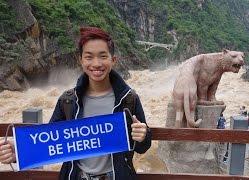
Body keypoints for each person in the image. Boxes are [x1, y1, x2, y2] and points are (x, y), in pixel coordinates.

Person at [0, 27, 152, 180]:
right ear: (81, 61)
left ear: (113, 60)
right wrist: (18, 152)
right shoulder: (68, 101)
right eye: (89, 57)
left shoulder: (128, 99)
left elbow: (142, 147)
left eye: (103, 56)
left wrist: (143, 135)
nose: (96, 63)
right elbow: (50, 143)